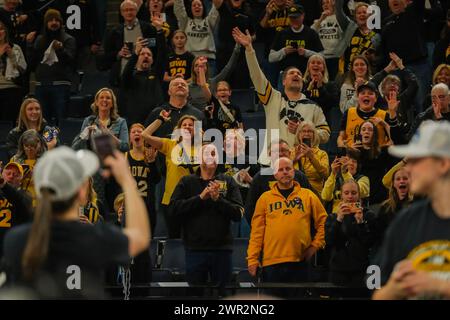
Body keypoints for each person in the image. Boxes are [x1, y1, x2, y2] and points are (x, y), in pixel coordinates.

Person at [2, 147, 150, 299]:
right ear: (81, 192)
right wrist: (127, 180)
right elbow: (141, 236)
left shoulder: (15, 240)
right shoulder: (96, 238)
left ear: (40, 192)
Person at [373, 121, 450, 300]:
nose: (408, 168)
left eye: (416, 160)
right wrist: (395, 289)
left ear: (443, 164)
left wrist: (439, 286)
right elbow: (379, 294)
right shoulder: (406, 221)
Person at [232, 27, 330, 166]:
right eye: (291, 73)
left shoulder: (313, 106)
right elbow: (257, 76)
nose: (296, 75)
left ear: (303, 81)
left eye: (299, 74)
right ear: (283, 81)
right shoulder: (273, 98)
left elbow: (325, 134)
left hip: (299, 164)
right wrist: (249, 49)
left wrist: (304, 131)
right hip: (269, 162)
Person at [171, 142, 244, 296]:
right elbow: (173, 210)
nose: (212, 157)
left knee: (223, 295)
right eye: (208, 153)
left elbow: (238, 213)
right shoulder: (187, 181)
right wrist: (200, 198)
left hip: (222, 250)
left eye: (214, 154)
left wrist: (219, 200)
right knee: (195, 296)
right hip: (195, 250)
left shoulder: (228, 181)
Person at [247, 157, 327, 297]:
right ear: (275, 174)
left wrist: (316, 245)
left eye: (288, 169)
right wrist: (252, 259)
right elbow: (257, 232)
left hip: (300, 262)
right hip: (271, 264)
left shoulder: (308, 195)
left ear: (294, 172)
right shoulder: (265, 198)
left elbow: (324, 222)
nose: (285, 172)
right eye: (280, 170)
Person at [142, 113, 201, 238]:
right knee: (174, 238)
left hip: (195, 199)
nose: (187, 127)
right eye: (184, 125)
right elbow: (145, 135)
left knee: (194, 237)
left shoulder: (203, 148)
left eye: (191, 125)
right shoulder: (170, 145)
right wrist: (160, 120)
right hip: (172, 201)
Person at [245, 139, 314, 224]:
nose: (281, 154)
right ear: (269, 154)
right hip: (270, 232)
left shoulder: (300, 176)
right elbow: (250, 209)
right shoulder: (260, 178)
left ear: (289, 154)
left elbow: (313, 205)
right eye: (276, 151)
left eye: (284, 150)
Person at [378, 0, 429, 115]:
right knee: (394, 104)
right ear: (388, 4)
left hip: (417, 66)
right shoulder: (386, 22)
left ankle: (422, 130)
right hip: (395, 69)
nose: (394, 1)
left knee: (420, 103)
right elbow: (384, 49)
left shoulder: (414, 11)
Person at [26, 8, 76, 126]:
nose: (54, 23)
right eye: (50, 20)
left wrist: (61, 49)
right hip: (41, 86)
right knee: (42, 123)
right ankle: (46, 144)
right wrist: (29, 45)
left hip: (61, 86)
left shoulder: (68, 39)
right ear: (46, 23)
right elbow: (31, 64)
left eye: (56, 20)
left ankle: (61, 144)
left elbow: (72, 61)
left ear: (61, 22)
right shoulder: (39, 40)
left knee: (62, 122)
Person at [325, 179, 377, 287]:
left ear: (359, 195)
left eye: (353, 193)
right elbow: (329, 241)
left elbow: (370, 242)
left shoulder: (368, 215)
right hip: (338, 269)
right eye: (346, 193)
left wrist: (361, 223)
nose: (350, 196)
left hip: (361, 269)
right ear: (342, 196)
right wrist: (339, 220)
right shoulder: (332, 217)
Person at [120, 14, 167, 125]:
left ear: (152, 60)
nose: (146, 56)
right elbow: (125, 73)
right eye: (142, 54)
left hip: (157, 122)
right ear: (137, 58)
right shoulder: (130, 77)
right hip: (136, 123)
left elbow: (163, 54)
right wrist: (135, 53)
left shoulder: (156, 74)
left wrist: (159, 30)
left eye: (149, 54)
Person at [102, 0, 158, 86]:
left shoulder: (148, 28)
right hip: (121, 75)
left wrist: (144, 45)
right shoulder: (113, 32)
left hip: (144, 76)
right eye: (126, 10)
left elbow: (155, 48)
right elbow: (106, 56)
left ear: (136, 11)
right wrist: (118, 54)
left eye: (131, 9)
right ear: (121, 13)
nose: (129, 12)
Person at [337, 81, 396, 149]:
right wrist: (345, 147)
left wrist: (379, 149)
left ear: (376, 98)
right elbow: (341, 137)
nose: (366, 95)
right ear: (358, 97)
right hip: (352, 157)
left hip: (376, 157)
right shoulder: (349, 112)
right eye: (362, 93)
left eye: (370, 93)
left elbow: (393, 140)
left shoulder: (384, 115)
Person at [269, 5, 323, 77]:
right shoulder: (282, 34)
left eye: (296, 17)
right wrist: (284, 51)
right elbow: (271, 58)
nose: (294, 20)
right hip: (286, 75)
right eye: (291, 18)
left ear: (303, 16)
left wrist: (306, 52)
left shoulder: (311, 33)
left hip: (306, 74)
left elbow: (322, 57)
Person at [127, 123, 161, 234]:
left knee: (148, 241)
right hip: (130, 205)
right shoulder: (125, 156)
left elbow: (157, 180)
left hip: (148, 205)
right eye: (133, 132)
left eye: (140, 131)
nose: (137, 133)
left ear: (144, 137)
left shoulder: (151, 154)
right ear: (130, 138)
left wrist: (151, 163)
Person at [72, 88, 129, 153]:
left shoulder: (121, 122)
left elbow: (125, 147)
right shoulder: (88, 121)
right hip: (93, 159)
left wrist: (109, 135)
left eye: (108, 98)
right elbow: (77, 147)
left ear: (112, 104)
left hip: (111, 160)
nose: (104, 100)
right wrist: (84, 136)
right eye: (101, 97)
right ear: (96, 102)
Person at [173, 0, 223, 74]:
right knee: (191, 85)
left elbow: (215, 8)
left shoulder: (209, 21)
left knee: (208, 85)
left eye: (199, 5)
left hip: (208, 61)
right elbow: (179, 9)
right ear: (190, 9)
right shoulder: (185, 22)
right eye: (194, 5)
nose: (197, 6)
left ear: (203, 8)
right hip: (190, 60)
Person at [188, 43, 241, 111]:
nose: (199, 67)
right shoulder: (188, 86)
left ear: (207, 67)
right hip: (194, 119)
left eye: (202, 65)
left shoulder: (214, 82)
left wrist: (237, 46)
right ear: (193, 69)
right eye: (196, 65)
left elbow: (228, 68)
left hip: (212, 117)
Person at [371, 53, 419, 126]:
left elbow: (414, 84)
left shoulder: (403, 100)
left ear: (398, 90)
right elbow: (371, 84)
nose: (393, 85)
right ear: (383, 88)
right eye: (389, 83)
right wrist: (388, 69)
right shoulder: (378, 100)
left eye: (396, 84)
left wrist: (401, 66)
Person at [216, 0, 255, 89]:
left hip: (242, 55)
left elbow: (254, 34)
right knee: (224, 85)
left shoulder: (249, 14)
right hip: (225, 55)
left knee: (241, 86)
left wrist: (249, 39)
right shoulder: (224, 9)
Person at [335, 0, 380, 75]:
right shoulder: (349, 29)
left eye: (364, 12)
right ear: (355, 17)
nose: (362, 14)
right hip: (349, 74)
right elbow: (339, 11)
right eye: (359, 13)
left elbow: (381, 57)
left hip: (370, 74)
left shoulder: (377, 35)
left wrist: (373, 58)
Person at [0, 161, 32, 258]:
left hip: (11, 248)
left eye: (16, 175)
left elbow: (20, 202)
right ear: (2, 174)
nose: (11, 176)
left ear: (20, 181)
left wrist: (4, 185)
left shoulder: (25, 196)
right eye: (8, 173)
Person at [11, 129, 48, 206]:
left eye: (33, 146)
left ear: (40, 144)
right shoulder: (15, 160)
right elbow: (8, 183)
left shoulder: (47, 161)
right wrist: (19, 179)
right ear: (22, 145)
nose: (29, 149)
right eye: (26, 146)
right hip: (18, 202)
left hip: (39, 203)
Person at [0, 20, 27, 125]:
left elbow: (23, 68)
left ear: (5, 31)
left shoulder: (15, 47)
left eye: (1, 29)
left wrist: (12, 56)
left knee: (9, 123)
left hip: (11, 89)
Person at [293, 121, 329, 195]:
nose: (306, 134)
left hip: (314, 193)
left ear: (314, 135)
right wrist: (294, 159)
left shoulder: (322, 154)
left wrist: (312, 157)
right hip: (294, 192)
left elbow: (326, 175)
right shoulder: (292, 152)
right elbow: (281, 171)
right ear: (299, 134)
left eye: (310, 131)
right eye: (303, 131)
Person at [311, 0, 343, 80]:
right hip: (321, 57)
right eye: (323, 3)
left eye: (327, 2)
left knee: (333, 81)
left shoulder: (340, 19)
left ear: (333, 3)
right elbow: (310, 33)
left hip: (335, 57)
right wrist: (321, 19)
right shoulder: (318, 21)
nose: (325, 5)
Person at [302, 54, 340, 118]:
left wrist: (321, 88)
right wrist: (308, 90)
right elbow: (299, 102)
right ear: (308, 67)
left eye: (319, 63)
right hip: (305, 117)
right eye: (313, 62)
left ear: (323, 67)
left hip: (324, 119)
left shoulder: (331, 85)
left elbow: (333, 103)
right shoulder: (302, 84)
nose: (315, 65)